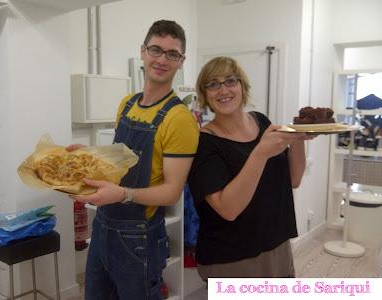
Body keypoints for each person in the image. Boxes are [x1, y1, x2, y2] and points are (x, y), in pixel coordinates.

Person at [68, 20, 199, 299]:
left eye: (172, 54)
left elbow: (171, 192)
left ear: (181, 61)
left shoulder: (179, 119)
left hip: (138, 237)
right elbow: (120, 162)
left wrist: (123, 194)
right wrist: (90, 154)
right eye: (156, 50)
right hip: (103, 227)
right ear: (143, 51)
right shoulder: (127, 104)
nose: (162, 59)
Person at [187, 56, 314, 280]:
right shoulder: (204, 143)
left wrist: (299, 137)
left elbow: (294, 179)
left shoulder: (261, 121)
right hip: (232, 259)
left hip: (277, 246)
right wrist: (260, 153)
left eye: (230, 81)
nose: (223, 90)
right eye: (213, 84)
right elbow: (228, 209)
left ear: (242, 87)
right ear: (205, 94)